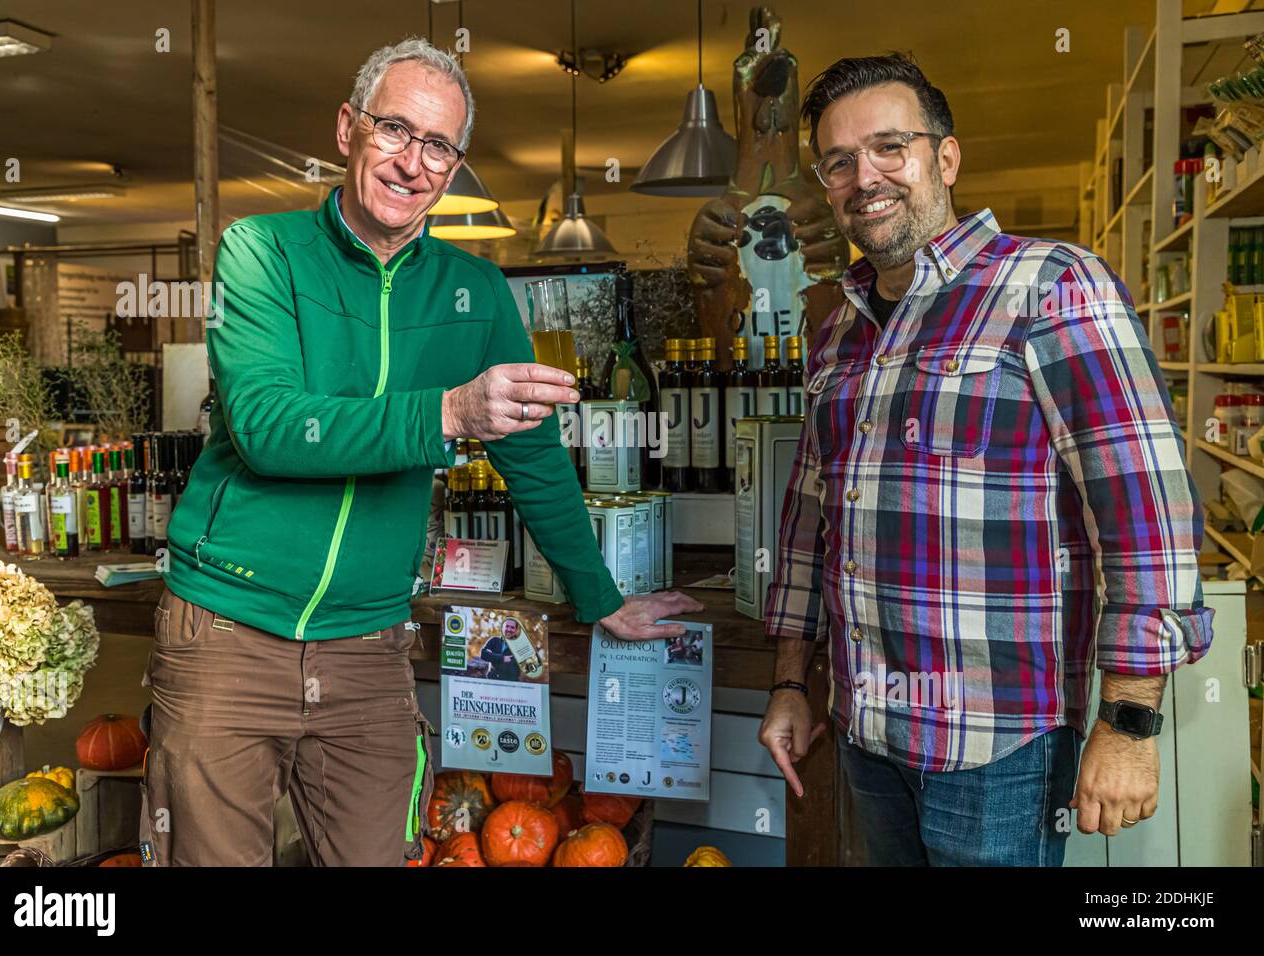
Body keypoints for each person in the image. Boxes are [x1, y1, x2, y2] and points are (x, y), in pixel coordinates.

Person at [143, 38, 700, 867]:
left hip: (369, 649)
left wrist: (598, 594)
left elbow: (537, 459)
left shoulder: (473, 294)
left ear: (455, 164)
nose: (412, 162)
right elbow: (266, 426)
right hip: (227, 632)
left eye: (438, 145)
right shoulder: (262, 251)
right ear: (347, 129)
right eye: (395, 129)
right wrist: (446, 410)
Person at [758, 52, 1213, 866]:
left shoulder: (1052, 286)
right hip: (867, 734)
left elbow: (1147, 516)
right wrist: (791, 682)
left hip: (999, 746)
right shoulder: (835, 331)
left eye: (890, 147)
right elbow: (806, 526)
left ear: (946, 157)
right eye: (839, 160)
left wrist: (1129, 723)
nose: (866, 176)